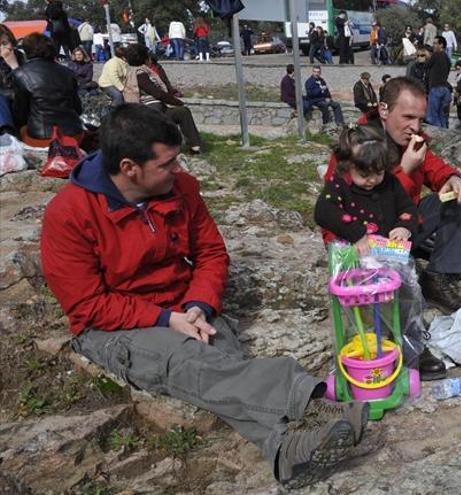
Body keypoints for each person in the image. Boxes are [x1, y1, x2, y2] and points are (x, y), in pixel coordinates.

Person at [40, 104, 370, 491]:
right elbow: (86, 305)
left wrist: (199, 304)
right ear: (129, 167)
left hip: (187, 306)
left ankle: (286, 452)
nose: (178, 171)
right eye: (167, 164)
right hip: (114, 326)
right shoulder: (69, 214)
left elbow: (211, 253)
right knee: (191, 361)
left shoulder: (181, 188)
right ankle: (310, 397)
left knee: (217, 364)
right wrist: (167, 320)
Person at [323, 76, 461, 379]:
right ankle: (412, 345)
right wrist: (405, 169)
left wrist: (453, 177)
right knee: (399, 272)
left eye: (420, 118)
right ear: (383, 109)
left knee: (455, 201)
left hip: (402, 228)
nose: (415, 127)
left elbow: (432, 166)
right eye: (407, 117)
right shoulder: (357, 148)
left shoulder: (413, 141)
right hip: (365, 241)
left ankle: (436, 278)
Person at [315, 125, 418, 254]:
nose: (373, 180)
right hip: (351, 251)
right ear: (348, 166)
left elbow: (407, 208)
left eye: (379, 173)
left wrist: (404, 227)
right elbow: (324, 210)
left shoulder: (390, 182)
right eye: (364, 175)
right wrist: (356, 234)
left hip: (387, 252)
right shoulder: (340, 184)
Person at [125, 44, 201, 154]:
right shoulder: (139, 74)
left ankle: (195, 147)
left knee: (183, 112)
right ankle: (182, 148)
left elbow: (162, 89)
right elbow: (157, 94)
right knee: (181, 112)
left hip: (158, 109)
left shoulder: (143, 71)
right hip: (150, 112)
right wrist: (177, 102)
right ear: (144, 58)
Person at [11, 33, 82, 146]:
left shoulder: (20, 74)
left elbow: (20, 114)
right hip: (74, 133)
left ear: (27, 51)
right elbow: (78, 109)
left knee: (21, 131)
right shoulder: (68, 72)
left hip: (41, 137)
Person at [0, 24, 24, 134]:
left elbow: (28, 84)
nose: (2, 47)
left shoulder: (20, 56)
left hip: (21, 100)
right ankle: (7, 134)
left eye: (5, 43)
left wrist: (14, 66)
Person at [305, 65, 345, 132]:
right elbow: (311, 94)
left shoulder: (321, 80)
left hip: (324, 99)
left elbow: (327, 91)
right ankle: (326, 123)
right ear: (312, 72)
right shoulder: (309, 82)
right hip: (315, 100)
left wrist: (328, 97)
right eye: (315, 72)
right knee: (324, 105)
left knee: (336, 105)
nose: (316, 73)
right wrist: (320, 89)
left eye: (318, 72)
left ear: (320, 72)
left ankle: (339, 122)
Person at [425, 37, 451, 128]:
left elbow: (426, 66)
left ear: (441, 45)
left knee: (432, 117)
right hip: (445, 90)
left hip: (436, 89)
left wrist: (426, 57)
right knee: (443, 117)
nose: (434, 45)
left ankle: (437, 138)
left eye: (435, 43)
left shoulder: (436, 55)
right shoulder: (447, 57)